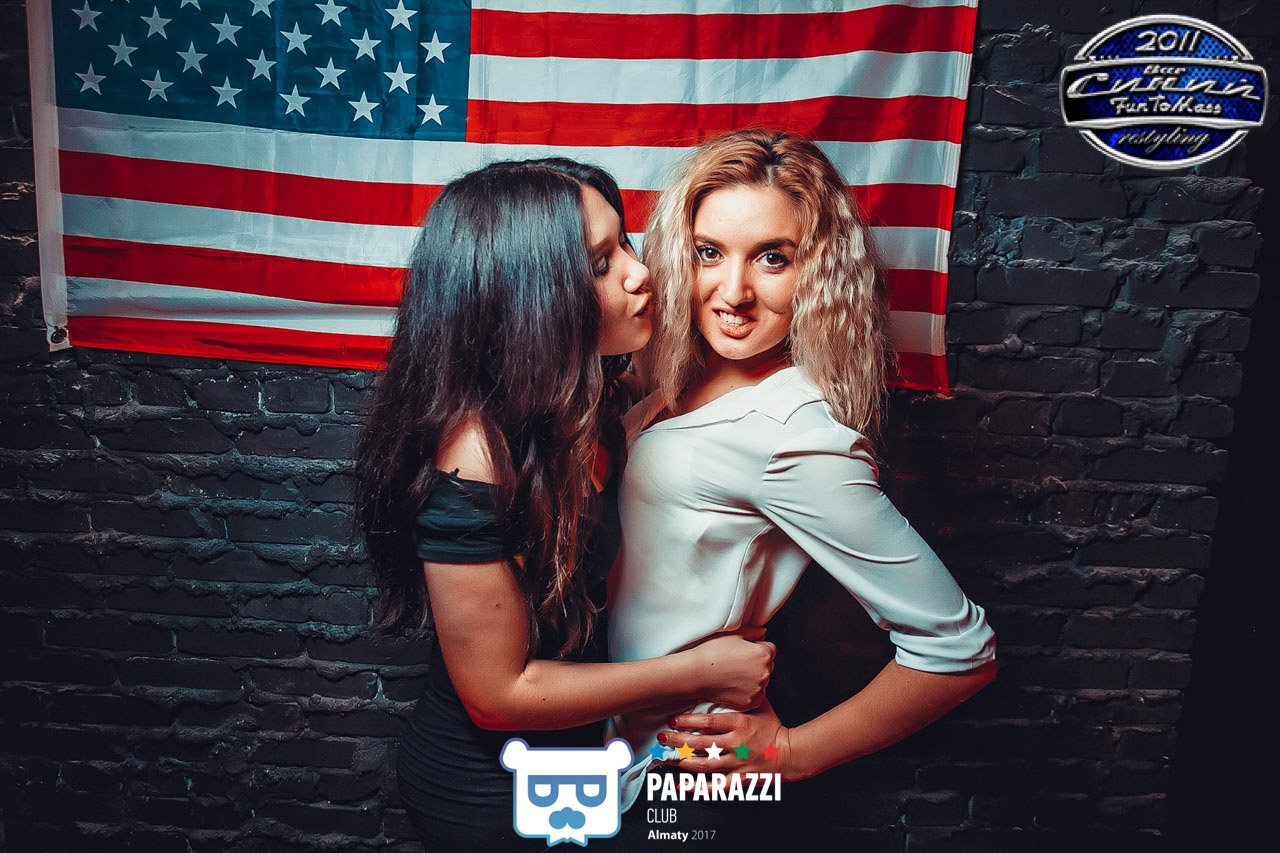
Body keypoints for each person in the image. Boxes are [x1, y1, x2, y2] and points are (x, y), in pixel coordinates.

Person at [352, 158, 776, 851]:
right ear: (529, 298)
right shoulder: (475, 456)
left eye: (625, 245)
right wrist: (702, 671)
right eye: (602, 265)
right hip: (495, 789)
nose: (640, 274)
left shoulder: (587, 389)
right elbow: (499, 696)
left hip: (592, 751)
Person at [606, 129, 999, 842]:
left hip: (690, 773)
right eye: (709, 252)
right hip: (619, 747)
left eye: (773, 259)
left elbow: (958, 648)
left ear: (817, 271)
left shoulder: (794, 432)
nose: (733, 293)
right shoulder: (674, 372)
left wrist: (789, 754)